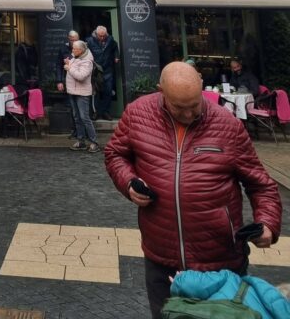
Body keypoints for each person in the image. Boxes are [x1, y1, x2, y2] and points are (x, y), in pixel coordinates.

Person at [104, 61, 281, 319]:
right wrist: (129, 182)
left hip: (220, 263)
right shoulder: (137, 114)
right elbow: (115, 154)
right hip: (161, 258)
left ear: (201, 85)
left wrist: (267, 223)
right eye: (179, 107)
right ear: (161, 92)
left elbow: (261, 183)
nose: (189, 115)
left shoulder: (228, 125)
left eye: (194, 105)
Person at [63, 40, 100, 153]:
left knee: (85, 118)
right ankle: (81, 141)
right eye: (73, 48)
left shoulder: (87, 61)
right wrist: (69, 63)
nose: (72, 50)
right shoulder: (76, 56)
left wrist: (69, 68)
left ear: (81, 50)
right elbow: (74, 69)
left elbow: (81, 76)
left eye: (75, 49)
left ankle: (94, 142)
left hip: (82, 93)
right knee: (77, 117)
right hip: (72, 91)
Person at [86, 25, 119, 119]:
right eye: (100, 36)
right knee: (95, 93)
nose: (102, 37)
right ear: (96, 34)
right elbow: (85, 53)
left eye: (104, 35)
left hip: (108, 70)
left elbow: (115, 47)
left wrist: (116, 56)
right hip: (95, 71)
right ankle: (95, 112)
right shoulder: (89, 41)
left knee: (108, 91)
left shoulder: (110, 39)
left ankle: (105, 112)